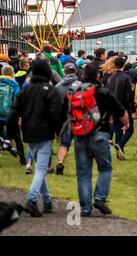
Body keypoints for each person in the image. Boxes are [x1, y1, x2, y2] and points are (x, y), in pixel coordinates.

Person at [63, 63, 129, 216]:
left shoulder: (75, 92)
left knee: (83, 174)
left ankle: (85, 208)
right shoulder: (103, 92)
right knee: (105, 168)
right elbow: (121, 111)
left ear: (83, 75)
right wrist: (126, 123)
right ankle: (100, 197)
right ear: (98, 76)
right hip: (100, 134)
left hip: (80, 135)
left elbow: (66, 112)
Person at [6, 60, 63, 217]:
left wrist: (10, 134)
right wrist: (59, 131)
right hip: (45, 134)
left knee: (40, 168)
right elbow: (56, 113)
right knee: (42, 169)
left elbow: (13, 113)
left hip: (28, 134)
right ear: (47, 73)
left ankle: (47, 200)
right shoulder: (50, 90)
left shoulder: (25, 90)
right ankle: (31, 200)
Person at [54, 63, 81, 175]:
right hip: (79, 119)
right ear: (75, 72)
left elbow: (55, 107)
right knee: (81, 146)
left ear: (64, 72)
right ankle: (81, 167)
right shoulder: (81, 85)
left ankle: (60, 161)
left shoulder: (58, 87)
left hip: (65, 120)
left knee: (64, 144)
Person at [105, 57, 134, 160]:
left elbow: (107, 94)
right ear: (124, 65)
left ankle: (119, 154)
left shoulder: (110, 78)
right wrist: (132, 110)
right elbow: (129, 96)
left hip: (113, 107)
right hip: (124, 107)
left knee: (118, 130)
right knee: (130, 129)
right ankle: (120, 144)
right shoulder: (126, 77)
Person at [0, 65, 25, 164]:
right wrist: (18, 116)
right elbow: (17, 101)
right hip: (10, 115)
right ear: (12, 73)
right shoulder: (14, 84)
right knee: (17, 138)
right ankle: (22, 159)